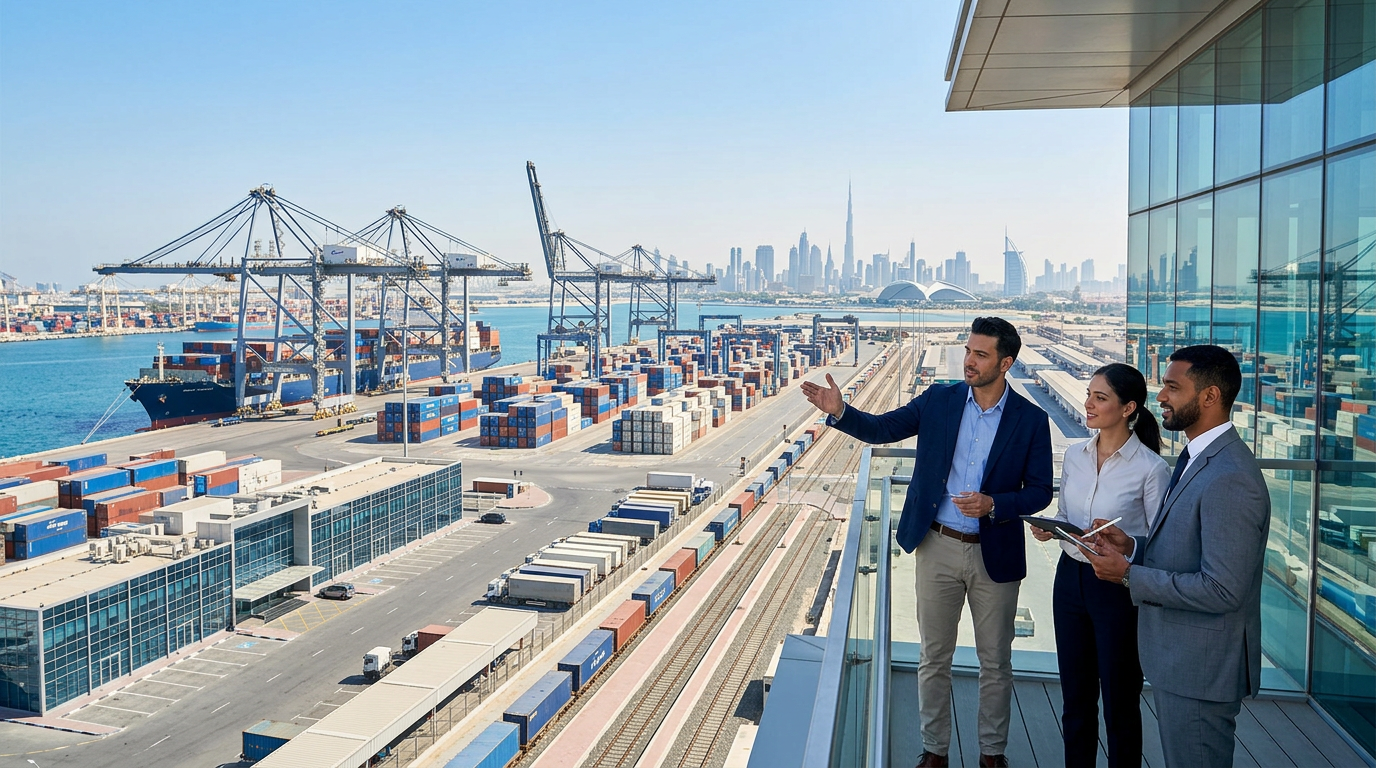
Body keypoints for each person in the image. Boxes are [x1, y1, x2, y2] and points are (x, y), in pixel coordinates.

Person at [802, 316, 1053, 768]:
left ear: (1006, 362)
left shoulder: (1031, 419)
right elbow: (882, 430)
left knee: (994, 661)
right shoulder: (939, 399)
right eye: (968, 350)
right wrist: (839, 411)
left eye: (981, 354)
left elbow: (1038, 490)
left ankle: (992, 754)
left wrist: (995, 503)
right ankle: (934, 751)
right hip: (937, 546)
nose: (969, 361)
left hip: (993, 553)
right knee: (933, 656)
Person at [1080, 345, 1270, 768]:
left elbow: (1222, 589)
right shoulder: (1198, 459)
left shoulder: (1231, 477)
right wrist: (1131, 545)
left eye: (1171, 387)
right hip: (1183, 661)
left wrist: (1129, 574)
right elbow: (1188, 551)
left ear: (1209, 397)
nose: (1160, 396)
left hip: (1200, 669)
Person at [1029, 363, 1169, 767]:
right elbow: (1064, 511)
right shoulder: (1074, 455)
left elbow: (1160, 544)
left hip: (1117, 588)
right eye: (1089, 394)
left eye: (1099, 397)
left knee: (1120, 700)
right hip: (1069, 580)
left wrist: (1124, 547)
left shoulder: (1150, 469)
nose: (1088, 403)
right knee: (1075, 696)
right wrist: (1052, 530)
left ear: (1128, 408)